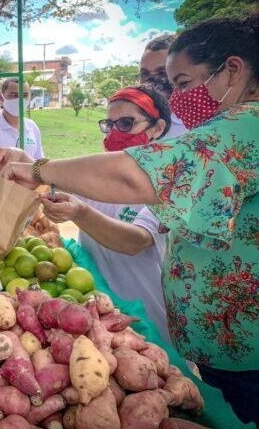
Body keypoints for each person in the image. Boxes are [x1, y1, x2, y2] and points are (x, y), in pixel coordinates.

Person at [0, 13, 259, 424]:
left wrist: (40, 169)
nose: (179, 96)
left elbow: (131, 176)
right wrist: (36, 166)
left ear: (233, 70)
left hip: (246, 352)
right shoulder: (226, 137)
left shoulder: (245, 126)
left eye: (183, 84)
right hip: (225, 349)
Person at [40, 84, 174, 343]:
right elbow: (47, 178)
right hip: (95, 309)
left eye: (126, 123)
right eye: (109, 124)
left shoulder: (164, 183)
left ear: (157, 129)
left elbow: (135, 241)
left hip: (145, 317)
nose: (115, 133)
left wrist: (80, 213)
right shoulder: (95, 175)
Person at [0, 78, 44, 159]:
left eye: (25, 95)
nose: (20, 100)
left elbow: (39, 162)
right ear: (1, 98)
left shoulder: (32, 127)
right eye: (14, 95)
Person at [140, 34, 188, 139]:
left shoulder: (198, 125)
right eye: (145, 74)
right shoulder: (132, 120)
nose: (151, 80)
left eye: (162, 72)